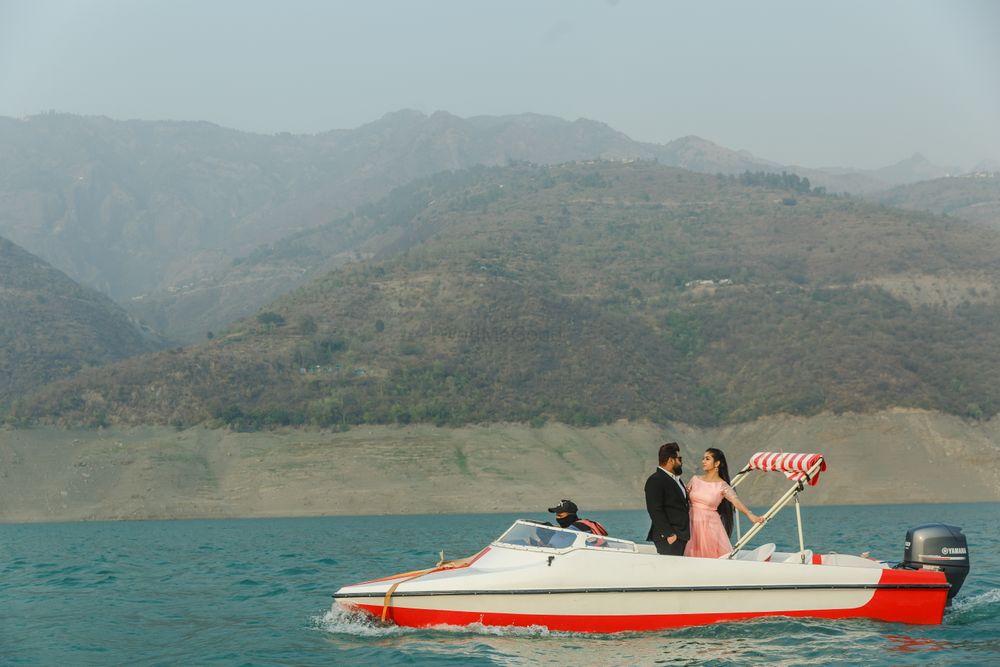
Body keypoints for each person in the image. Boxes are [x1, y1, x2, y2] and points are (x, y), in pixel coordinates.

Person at [684, 448, 764, 558]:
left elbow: (736, 501)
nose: (703, 461)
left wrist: (750, 515)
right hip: (691, 522)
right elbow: (682, 497)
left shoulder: (722, 485)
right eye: (703, 459)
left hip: (709, 526)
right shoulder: (695, 479)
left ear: (717, 463)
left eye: (707, 459)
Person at [644, 442, 690, 555]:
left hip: (681, 535)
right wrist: (669, 534)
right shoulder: (655, 480)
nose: (681, 462)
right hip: (668, 537)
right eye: (679, 459)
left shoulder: (677, 480)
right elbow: (655, 509)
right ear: (671, 460)